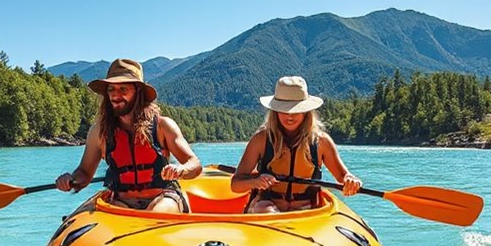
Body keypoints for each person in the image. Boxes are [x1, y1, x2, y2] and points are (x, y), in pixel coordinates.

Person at [55, 58, 201, 212]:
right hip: (121, 202)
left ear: (138, 92)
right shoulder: (99, 132)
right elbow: (84, 173)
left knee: (157, 211)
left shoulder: (162, 126)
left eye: (123, 89)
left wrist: (181, 170)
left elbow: (195, 164)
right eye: (111, 89)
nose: (115, 95)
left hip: (163, 197)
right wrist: (71, 179)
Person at [230, 75, 361, 213]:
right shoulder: (261, 140)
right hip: (268, 206)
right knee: (266, 210)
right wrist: (255, 182)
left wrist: (351, 181)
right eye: (284, 110)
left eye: (296, 110)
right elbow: (235, 184)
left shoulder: (321, 142)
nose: (290, 116)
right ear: (275, 111)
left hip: (306, 208)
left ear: (306, 112)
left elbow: (343, 176)